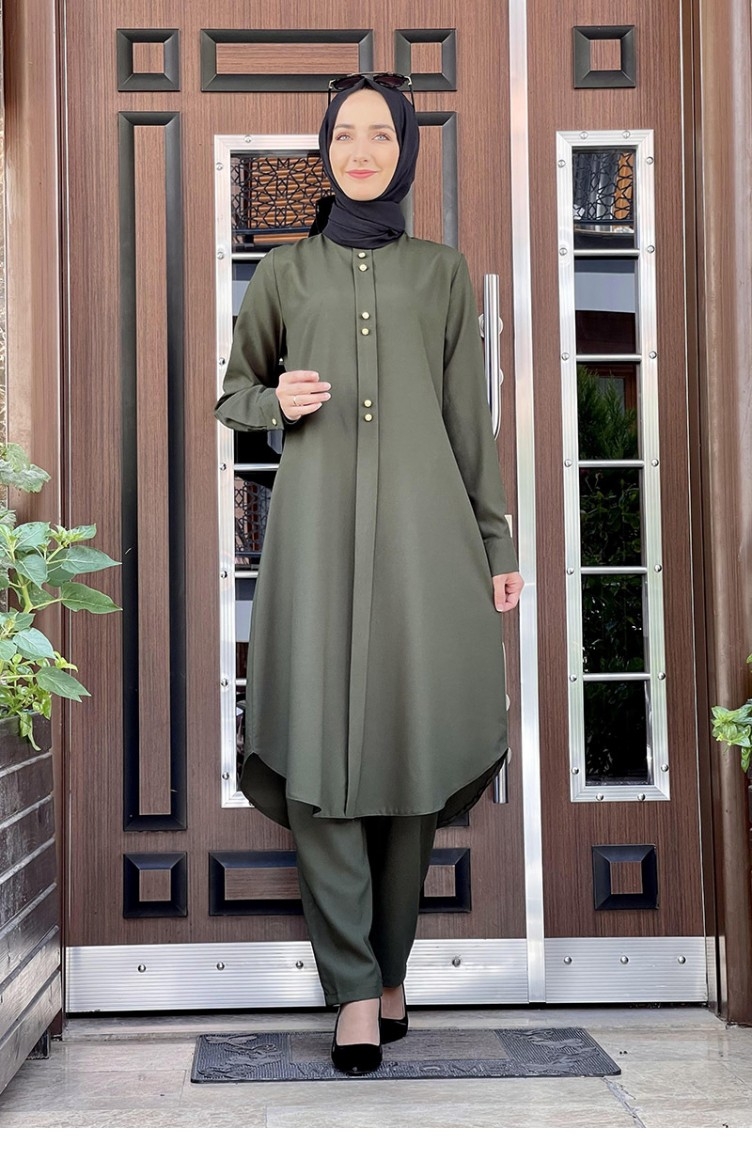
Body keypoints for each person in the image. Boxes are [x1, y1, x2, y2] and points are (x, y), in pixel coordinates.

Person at [214, 73, 524, 1075]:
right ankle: (353, 987)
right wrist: (276, 403)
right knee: (317, 755)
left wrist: (497, 546)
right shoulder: (284, 272)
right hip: (313, 545)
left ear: (404, 150)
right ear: (325, 148)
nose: (360, 150)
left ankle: (391, 971)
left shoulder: (441, 273)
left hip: (427, 545)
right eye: (344, 134)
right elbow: (232, 394)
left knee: (410, 756)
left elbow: (468, 423)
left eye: (380, 134)